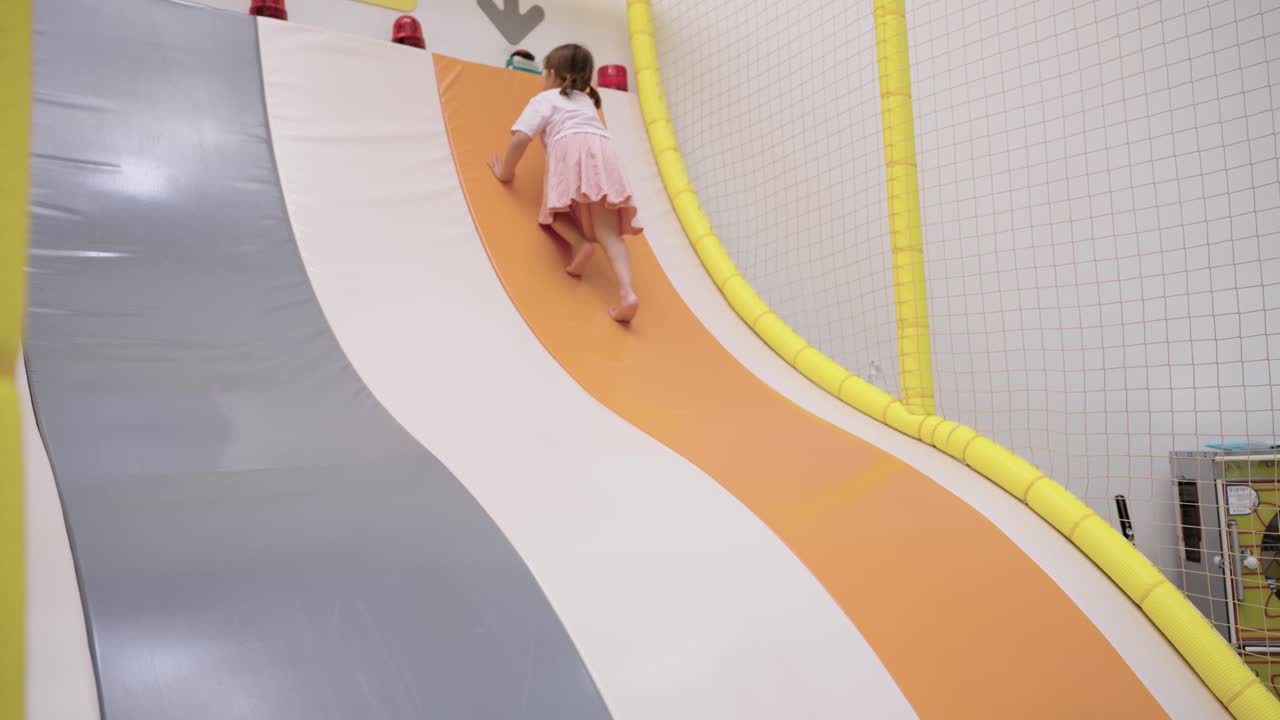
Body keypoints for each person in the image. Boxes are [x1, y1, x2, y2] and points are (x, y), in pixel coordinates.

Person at [487, 43, 641, 323]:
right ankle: (627, 293)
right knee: (609, 233)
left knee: (552, 214)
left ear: (553, 74)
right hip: (605, 150)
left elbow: (521, 138)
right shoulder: (587, 103)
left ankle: (579, 243)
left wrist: (505, 173)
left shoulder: (545, 99)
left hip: (570, 146)